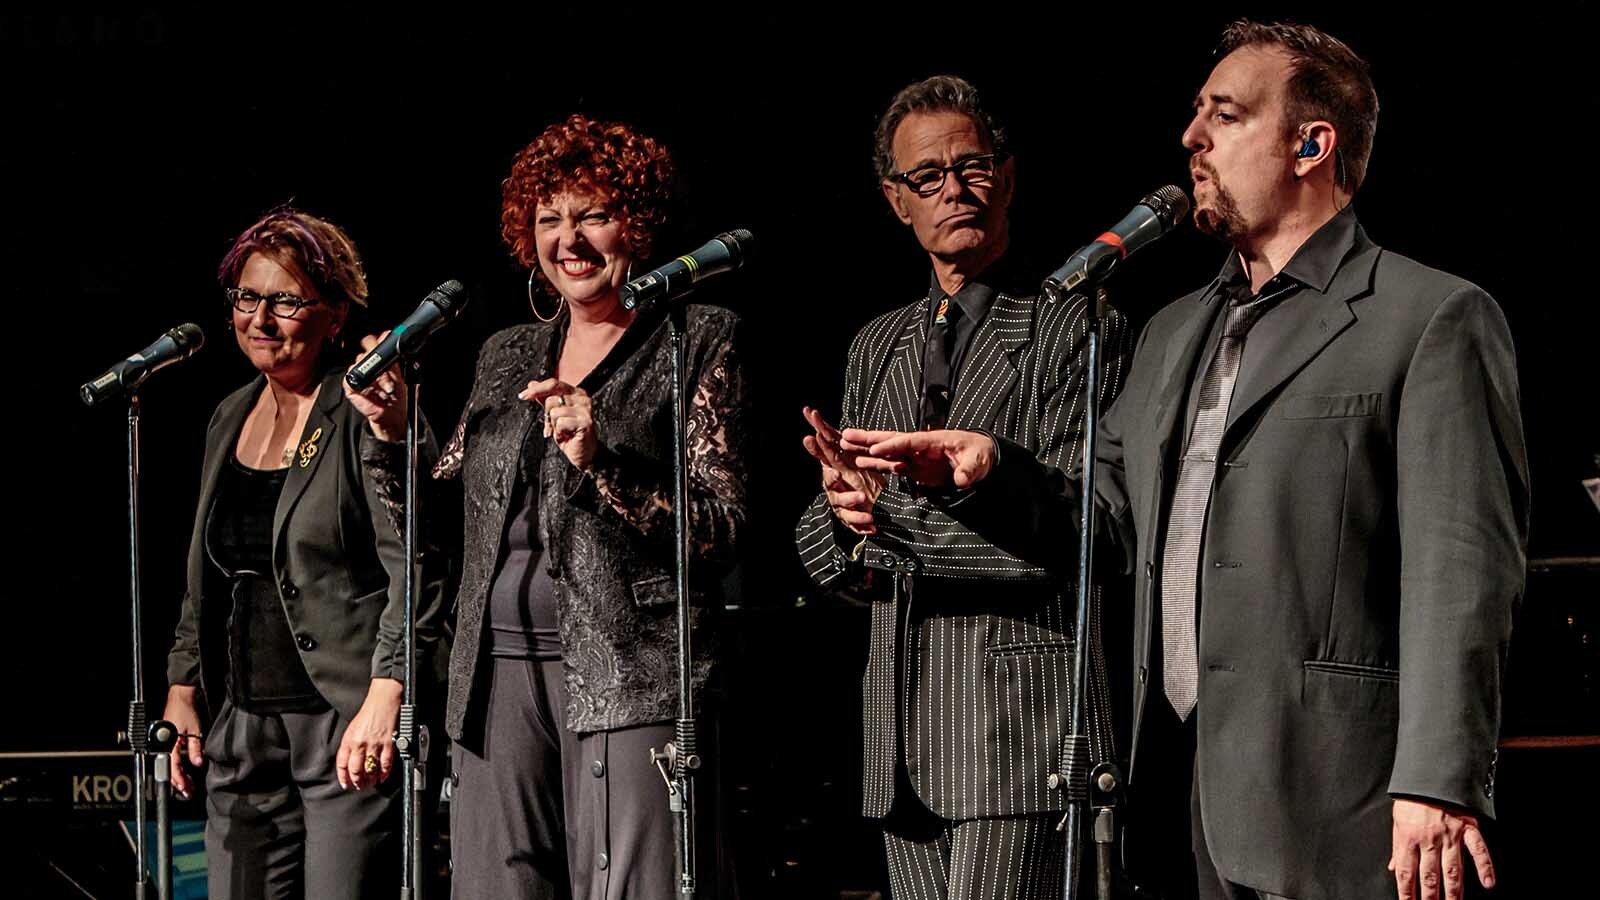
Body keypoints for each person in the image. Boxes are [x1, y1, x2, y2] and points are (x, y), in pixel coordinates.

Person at [848, 22, 1527, 900]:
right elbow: (1108, 523)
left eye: (1225, 116)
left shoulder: (1427, 316)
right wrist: (989, 473)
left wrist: (1437, 779)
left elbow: (1462, 571)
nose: (1191, 138)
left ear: (1311, 145)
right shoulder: (1174, 331)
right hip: (1174, 791)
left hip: (1338, 799)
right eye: (1195, 115)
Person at [793, 75, 1130, 899]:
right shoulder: (877, 344)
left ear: (1006, 178)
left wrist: (889, 520)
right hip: (900, 747)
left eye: (972, 166)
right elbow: (822, 542)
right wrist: (842, 515)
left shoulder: (1074, 324)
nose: (954, 188)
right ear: (896, 201)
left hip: (1018, 735)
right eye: (928, 176)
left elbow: (1082, 534)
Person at [439, 113, 749, 900]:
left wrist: (600, 460)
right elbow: (443, 502)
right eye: (549, 219)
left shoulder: (695, 339)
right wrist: (387, 434)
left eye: (593, 215)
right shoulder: (506, 352)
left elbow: (721, 530)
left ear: (635, 224)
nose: (569, 240)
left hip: (632, 670)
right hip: (493, 677)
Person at [163, 206, 444, 899]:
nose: (261, 318)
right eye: (248, 297)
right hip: (242, 722)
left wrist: (388, 691)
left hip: (343, 727)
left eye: (286, 301)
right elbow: (206, 574)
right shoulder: (229, 414)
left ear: (335, 314)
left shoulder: (365, 409)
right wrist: (183, 684)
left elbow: (420, 559)